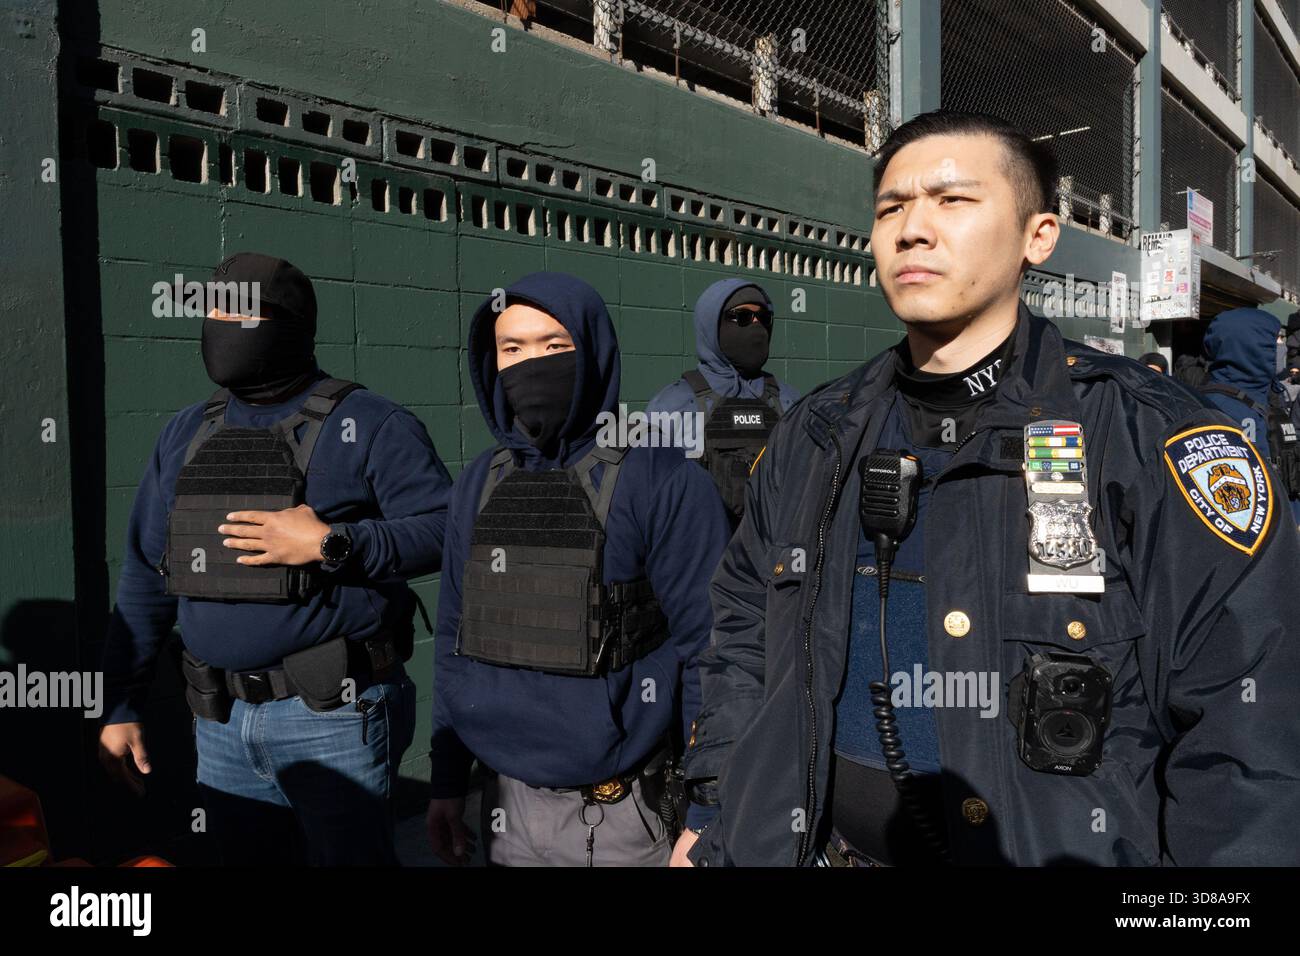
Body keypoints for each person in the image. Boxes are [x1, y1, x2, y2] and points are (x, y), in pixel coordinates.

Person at [675, 110, 1300, 867]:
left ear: (1038, 236)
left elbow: (1247, 733)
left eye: (953, 201)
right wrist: (715, 807)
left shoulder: (1154, 440)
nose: (912, 229)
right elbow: (742, 633)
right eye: (891, 209)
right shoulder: (815, 435)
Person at [99, 252, 451, 865]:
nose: (217, 324)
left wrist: (331, 544)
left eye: (236, 310)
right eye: (210, 310)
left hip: (335, 716)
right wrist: (120, 702)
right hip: (219, 720)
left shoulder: (370, 423)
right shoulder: (186, 433)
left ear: (288, 324)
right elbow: (145, 574)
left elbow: (450, 530)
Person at [425, 271, 730, 866]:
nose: (529, 364)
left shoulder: (658, 476)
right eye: (512, 348)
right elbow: (454, 638)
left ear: (592, 350)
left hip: (622, 819)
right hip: (504, 810)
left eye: (553, 346)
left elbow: (714, 652)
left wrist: (708, 811)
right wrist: (444, 785)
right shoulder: (480, 483)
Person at [645, 279, 799, 526]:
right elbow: (650, 501)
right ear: (712, 325)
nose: (756, 325)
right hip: (706, 555)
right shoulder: (673, 405)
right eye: (743, 317)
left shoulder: (789, 401)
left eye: (764, 317)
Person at [1199, 307, 1300, 526]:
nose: (1284, 347)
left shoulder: (1271, 394)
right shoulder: (1214, 408)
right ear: (1252, 346)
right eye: (1277, 340)